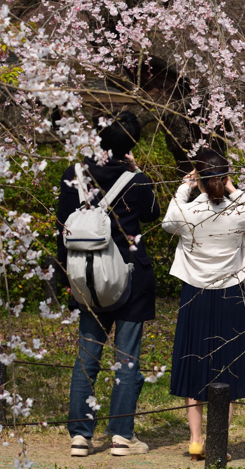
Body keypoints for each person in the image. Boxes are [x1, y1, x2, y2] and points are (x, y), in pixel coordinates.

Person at [55, 111, 161, 457]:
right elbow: (151, 214)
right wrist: (137, 169)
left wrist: (66, 279)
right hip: (129, 276)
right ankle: (121, 436)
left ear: (97, 137)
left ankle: (80, 437)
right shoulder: (137, 179)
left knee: (88, 356)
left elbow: (63, 230)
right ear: (131, 146)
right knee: (126, 358)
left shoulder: (75, 174)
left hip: (86, 276)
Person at [161, 148, 245, 460]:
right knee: (227, 370)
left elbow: (168, 221)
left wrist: (184, 186)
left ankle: (195, 440)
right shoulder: (239, 211)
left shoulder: (189, 213)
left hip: (195, 296)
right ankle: (220, 443)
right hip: (230, 296)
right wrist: (233, 189)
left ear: (200, 181)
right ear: (225, 178)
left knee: (195, 366)